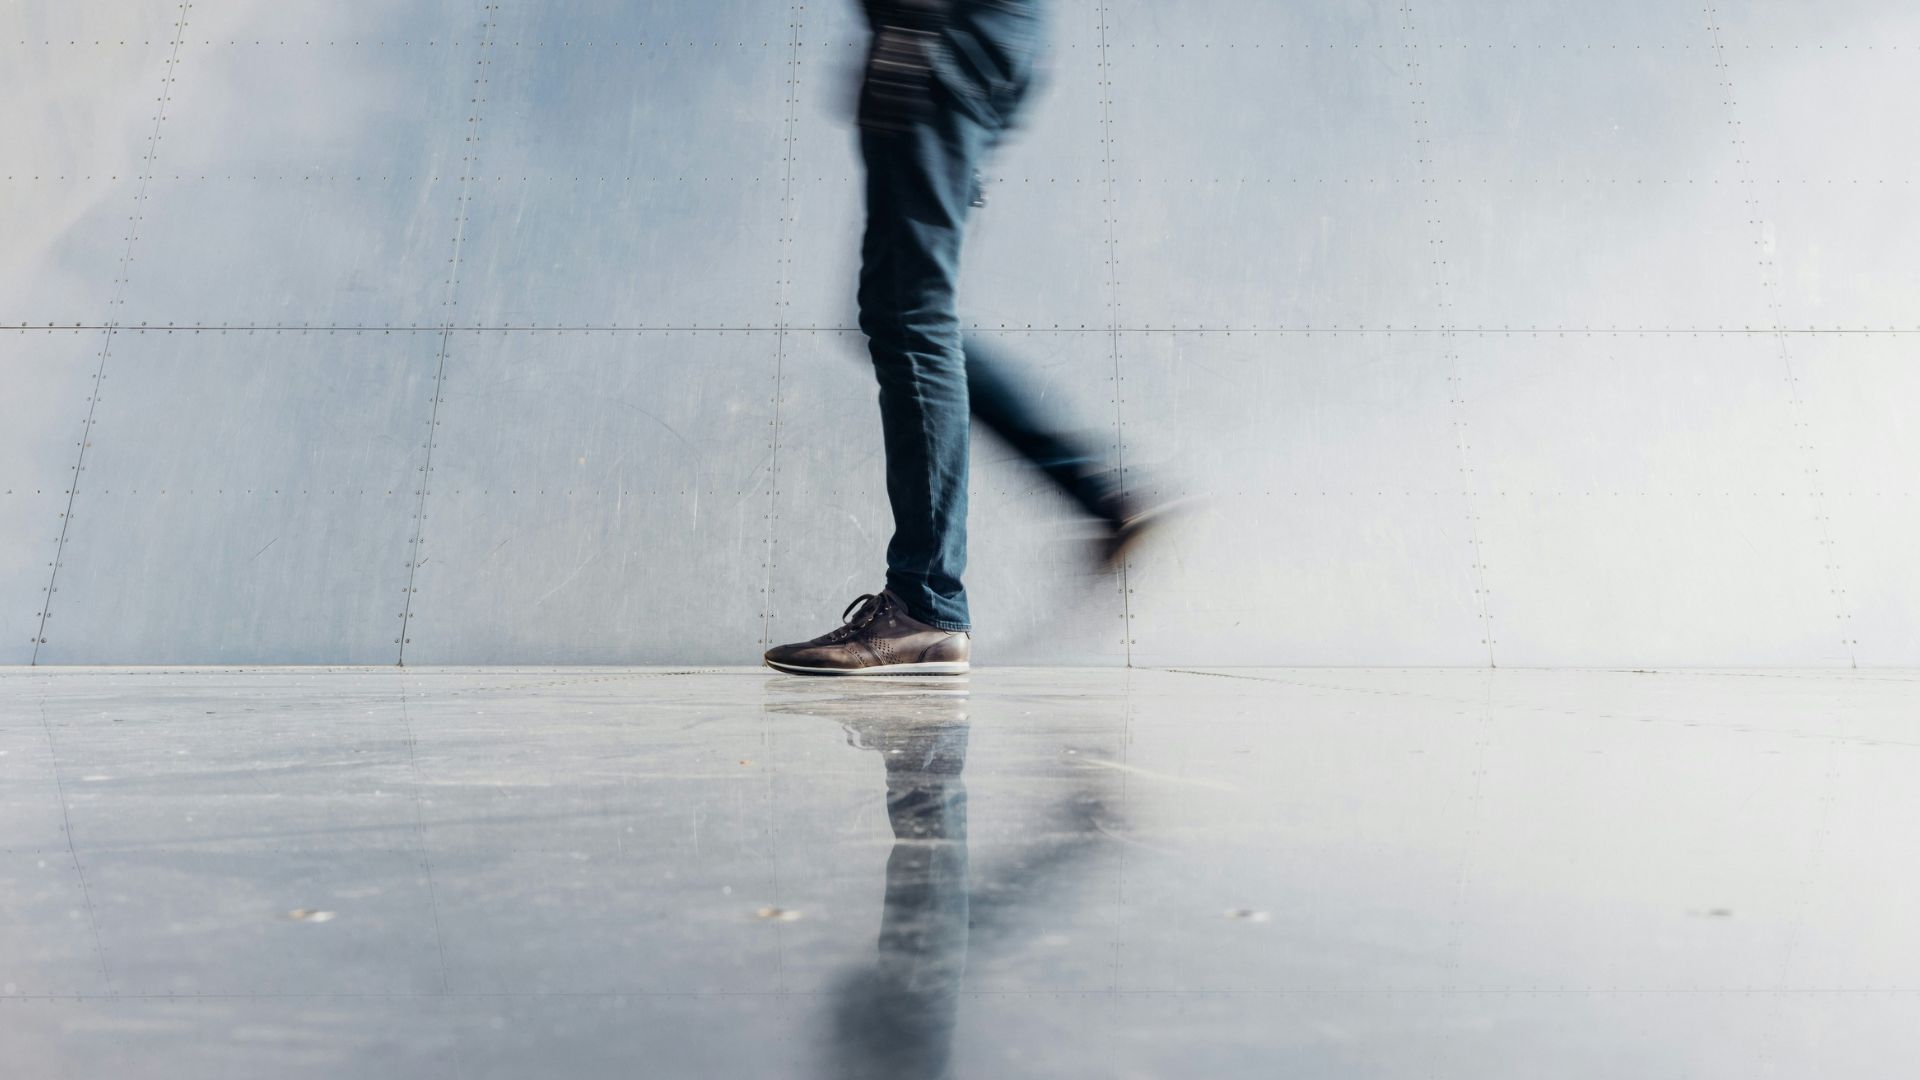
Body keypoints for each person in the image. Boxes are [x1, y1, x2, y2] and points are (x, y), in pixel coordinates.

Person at [764, 0, 1175, 677]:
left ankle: (927, 604)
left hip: (941, 29)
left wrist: (914, 21)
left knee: (910, 312)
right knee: (903, 312)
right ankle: (1095, 495)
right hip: (967, 35)